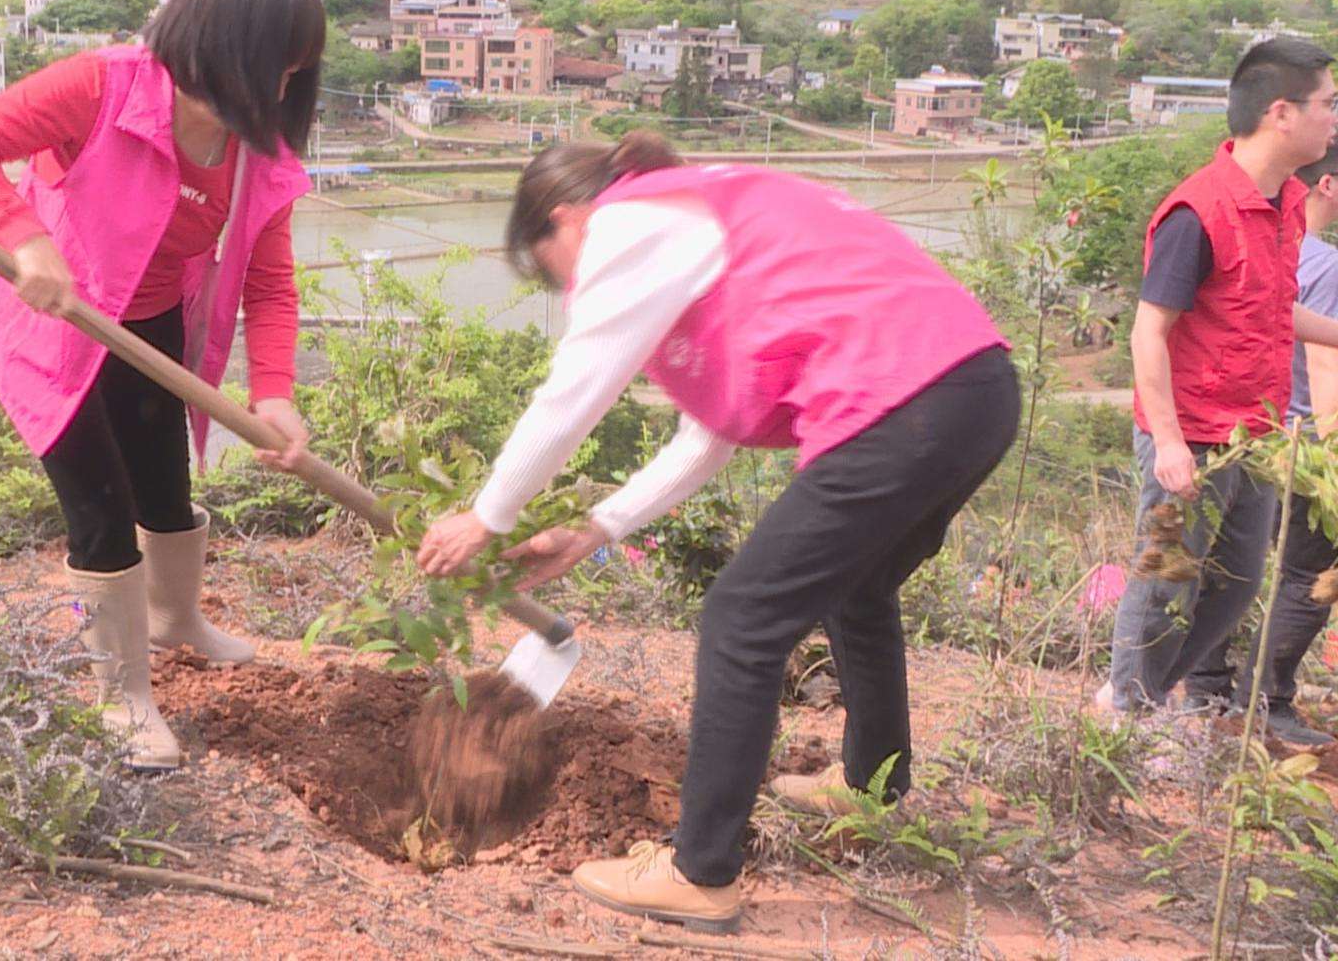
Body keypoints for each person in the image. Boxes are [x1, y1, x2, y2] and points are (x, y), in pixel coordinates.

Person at [415, 134, 1017, 933]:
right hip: (974, 391)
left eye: (551, 264)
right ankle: (873, 784)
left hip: (904, 403)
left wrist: (488, 514)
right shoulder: (700, 214)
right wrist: (598, 528)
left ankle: (699, 872)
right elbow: (708, 433)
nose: (569, 286)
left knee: (742, 618)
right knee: (858, 587)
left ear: (565, 219)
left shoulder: (632, 224)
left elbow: (577, 387)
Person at [0, 0, 324, 771]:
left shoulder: (259, 152)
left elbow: (271, 286)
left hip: (150, 324)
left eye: (295, 72)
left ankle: (176, 620)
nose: (285, 89)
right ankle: (120, 696)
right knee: (102, 514)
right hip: (52, 326)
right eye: (275, 68)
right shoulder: (102, 85)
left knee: (164, 490)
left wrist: (276, 392)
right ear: (221, 48)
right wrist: (25, 239)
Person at [1099, 39, 1338, 716]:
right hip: (1193, 438)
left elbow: (1269, 306)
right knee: (1163, 587)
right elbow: (1150, 331)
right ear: (1281, 113)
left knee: (1235, 588)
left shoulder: (1288, 204)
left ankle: (1138, 693)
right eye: (1328, 104)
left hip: (1252, 433)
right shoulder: (1198, 212)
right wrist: (1170, 443)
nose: (1335, 119)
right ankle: (1127, 714)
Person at [1184, 141, 1338, 745]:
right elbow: (1325, 367)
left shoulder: (1275, 244)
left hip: (1247, 434)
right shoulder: (1323, 263)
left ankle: (1206, 689)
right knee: (1311, 573)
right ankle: (1265, 700)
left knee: (1228, 566)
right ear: (1327, 185)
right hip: (1304, 442)